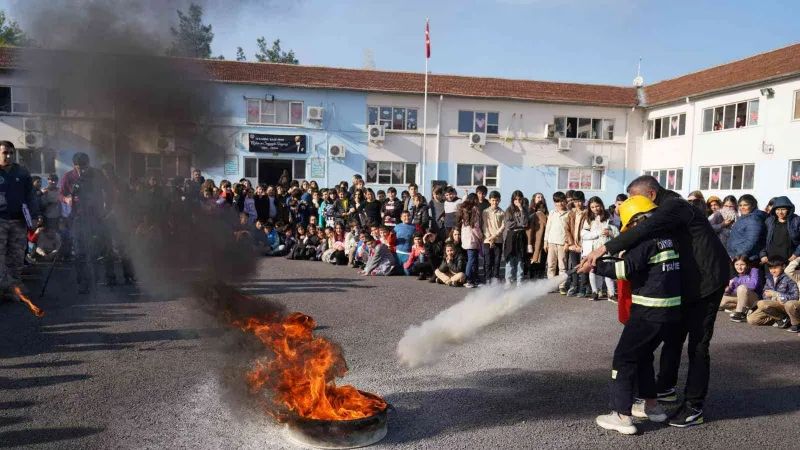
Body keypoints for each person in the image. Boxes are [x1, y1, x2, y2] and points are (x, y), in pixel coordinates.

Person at [580, 175, 730, 428]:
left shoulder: (674, 206)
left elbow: (644, 230)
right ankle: (660, 394)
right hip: (684, 286)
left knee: (698, 346)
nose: (631, 207)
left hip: (707, 283)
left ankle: (694, 407)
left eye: (634, 200)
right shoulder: (664, 211)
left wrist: (601, 250)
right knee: (671, 338)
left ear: (650, 195)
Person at [592, 195, 678, 435]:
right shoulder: (669, 239)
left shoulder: (645, 241)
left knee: (624, 359)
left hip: (648, 312)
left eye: (627, 225)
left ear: (635, 222)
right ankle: (653, 407)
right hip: (670, 313)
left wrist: (595, 265)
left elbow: (624, 270)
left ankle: (622, 416)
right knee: (643, 356)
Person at [59, 151, 112, 294]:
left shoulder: (97, 174)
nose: (82, 170)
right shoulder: (69, 176)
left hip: (95, 217)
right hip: (77, 217)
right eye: (79, 168)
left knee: (94, 251)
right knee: (80, 252)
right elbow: (61, 193)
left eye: (85, 167)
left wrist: (106, 210)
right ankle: (82, 282)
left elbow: (109, 192)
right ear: (73, 165)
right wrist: (67, 199)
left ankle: (94, 280)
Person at [581, 196, 619, 301]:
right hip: (593, 249)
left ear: (601, 205)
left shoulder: (609, 217)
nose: (595, 209)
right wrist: (597, 234)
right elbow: (584, 234)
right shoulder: (588, 218)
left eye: (597, 206)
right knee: (593, 270)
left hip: (606, 248)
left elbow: (617, 233)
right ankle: (595, 292)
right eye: (592, 207)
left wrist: (609, 233)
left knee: (607, 270)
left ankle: (611, 294)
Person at [747, 255, 800, 328]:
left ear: (783, 266)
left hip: (784, 304)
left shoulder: (789, 277)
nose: (773, 271)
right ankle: (781, 320)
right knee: (752, 319)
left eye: (775, 268)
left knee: (761, 303)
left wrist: (777, 295)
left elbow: (795, 296)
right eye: (770, 268)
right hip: (772, 306)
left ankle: (785, 318)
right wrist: (773, 298)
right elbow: (765, 293)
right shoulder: (769, 277)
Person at [760, 196, 800, 264]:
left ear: (789, 209)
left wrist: (796, 254)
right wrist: (763, 254)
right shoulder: (769, 222)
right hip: (770, 260)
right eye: (777, 209)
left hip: (789, 260)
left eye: (783, 209)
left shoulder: (796, 221)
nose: (780, 212)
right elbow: (762, 240)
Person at [727, 194, 767, 263]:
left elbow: (751, 241)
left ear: (753, 205)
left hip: (746, 259)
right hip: (739, 258)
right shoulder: (745, 217)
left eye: (745, 205)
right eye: (740, 205)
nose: (742, 207)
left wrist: (737, 255)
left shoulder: (753, 219)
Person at [721, 255, 761, 322]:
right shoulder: (737, 277)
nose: (739, 267)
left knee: (742, 288)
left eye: (742, 264)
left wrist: (738, 283)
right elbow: (730, 292)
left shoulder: (754, 270)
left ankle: (740, 314)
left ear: (747, 264)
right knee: (722, 300)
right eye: (736, 264)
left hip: (755, 300)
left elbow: (753, 285)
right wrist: (727, 290)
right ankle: (746, 311)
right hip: (743, 301)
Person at [564, 191, 589, 297]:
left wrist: (582, 246)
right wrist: (571, 244)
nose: (577, 204)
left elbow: (589, 230)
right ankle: (574, 286)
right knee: (574, 266)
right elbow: (567, 229)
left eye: (579, 201)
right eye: (575, 202)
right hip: (573, 246)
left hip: (584, 245)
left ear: (583, 201)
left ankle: (583, 288)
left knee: (583, 267)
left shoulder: (588, 213)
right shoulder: (571, 213)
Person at [503, 190, 528, 288]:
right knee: (510, 259)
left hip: (521, 235)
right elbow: (509, 224)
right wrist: (520, 223)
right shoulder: (509, 210)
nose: (517, 201)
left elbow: (525, 222)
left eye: (519, 199)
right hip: (511, 235)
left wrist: (521, 209)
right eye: (515, 199)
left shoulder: (524, 209)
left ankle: (520, 281)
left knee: (520, 259)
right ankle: (508, 280)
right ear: (512, 200)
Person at [544, 191, 570, 287]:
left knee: (562, 266)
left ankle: (562, 285)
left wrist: (567, 242)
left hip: (562, 243)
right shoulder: (552, 213)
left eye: (562, 201)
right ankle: (551, 285)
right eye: (557, 202)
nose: (560, 204)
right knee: (551, 265)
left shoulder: (568, 214)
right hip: (551, 242)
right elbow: (548, 228)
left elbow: (569, 230)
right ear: (554, 203)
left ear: (565, 201)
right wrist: (545, 241)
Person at [457, 194, 482, 288]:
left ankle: (474, 279)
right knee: (472, 260)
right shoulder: (475, 209)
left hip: (466, 237)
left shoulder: (464, 209)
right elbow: (475, 226)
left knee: (473, 259)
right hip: (472, 238)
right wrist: (481, 237)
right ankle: (469, 280)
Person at [482, 191, 505, 283]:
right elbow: (484, 225)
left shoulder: (502, 212)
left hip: (498, 240)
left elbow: (503, 226)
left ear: (499, 200)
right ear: (489, 200)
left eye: (497, 200)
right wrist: (489, 237)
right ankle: (487, 279)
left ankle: (495, 278)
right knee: (488, 261)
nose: (495, 202)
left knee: (497, 261)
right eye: (493, 200)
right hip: (487, 240)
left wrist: (495, 236)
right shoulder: (485, 212)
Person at [526, 193, 548, 280]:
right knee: (533, 260)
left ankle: (539, 279)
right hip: (533, 241)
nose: (540, 198)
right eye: (538, 197)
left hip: (543, 241)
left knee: (542, 260)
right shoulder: (530, 212)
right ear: (534, 199)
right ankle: (532, 279)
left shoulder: (546, 212)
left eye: (542, 197)